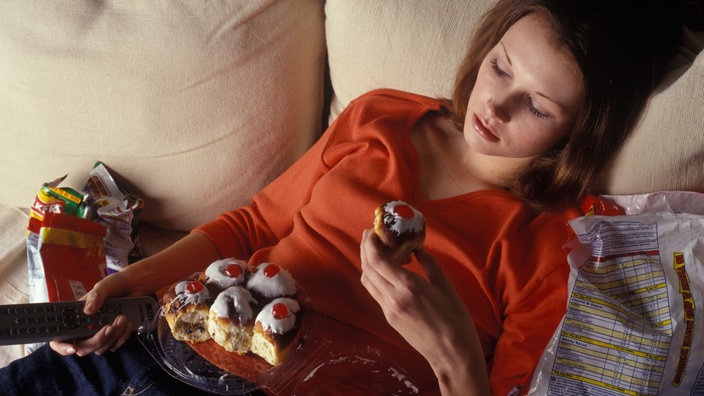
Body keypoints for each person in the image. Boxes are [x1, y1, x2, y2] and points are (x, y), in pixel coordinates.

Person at [0, 0, 682, 395]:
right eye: (501, 64)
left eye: (535, 103)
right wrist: (131, 289)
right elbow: (254, 221)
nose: (493, 104)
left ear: (581, 130)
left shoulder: (556, 247)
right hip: (163, 348)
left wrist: (453, 351)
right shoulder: (384, 117)